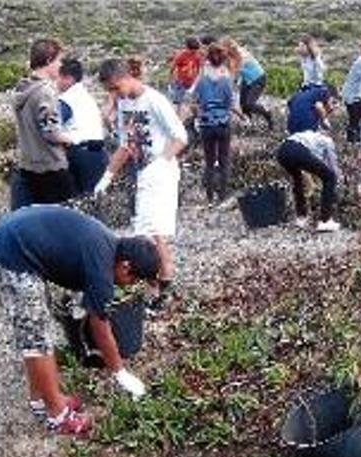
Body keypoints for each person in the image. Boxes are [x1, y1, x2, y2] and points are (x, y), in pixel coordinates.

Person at [0, 205, 160, 435]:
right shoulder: (102, 268)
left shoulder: (108, 245)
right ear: (126, 267)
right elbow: (100, 327)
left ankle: (40, 400)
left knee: (37, 334)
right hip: (11, 254)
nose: (128, 286)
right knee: (38, 341)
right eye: (134, 281)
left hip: (19, 242)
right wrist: (120, 373)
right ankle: (58, 415)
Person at [95, 57, 188, 289]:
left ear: (127, 77)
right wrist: (107, 176)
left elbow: (180, 137)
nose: (115, 95)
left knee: (154, 232)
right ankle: (156, 282)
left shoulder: (154, 100)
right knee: (145, 231)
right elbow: (126, 145)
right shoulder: (124, 104)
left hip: (161, 174)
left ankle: (162, 283)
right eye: (110, 91)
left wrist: (162, 162)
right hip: (141, 174)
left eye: (116, 88)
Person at [10, 38, 75, 210]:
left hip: (28, 165)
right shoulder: (46, 91)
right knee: (63, 219)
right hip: (51, 166)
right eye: (58, 60)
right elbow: (50, 132)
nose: (61, 65)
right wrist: (70, 139)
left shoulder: (21, 88)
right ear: (48, 60)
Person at [193, 44, 241, 204]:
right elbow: (231, 104)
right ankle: (222, 195)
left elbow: (195, 102)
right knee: (224, 159)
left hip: (206, 124)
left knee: (209, 161)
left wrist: (198, 115)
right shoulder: (226, 78)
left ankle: (209, 196)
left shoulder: (201, 79)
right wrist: (242, 116)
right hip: (223, 123)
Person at [56, 57, 108, 195]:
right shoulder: (86, 97)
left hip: (79, 154)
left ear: (68, 78)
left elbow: (52, 127)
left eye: (58, 78)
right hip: (97, 153)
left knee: (76, 201)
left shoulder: (67, 100)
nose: (56, 82)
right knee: (93, 200)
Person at [276, 129, 340, 232]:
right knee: (329, 178)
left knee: (298, 180)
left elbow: (312, 165)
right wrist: (336, 179)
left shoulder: (306, 134)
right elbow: (331, 164)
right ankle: (325, 221)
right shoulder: (327, 140)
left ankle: (301, 217)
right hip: (296, 151)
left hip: (282, 152)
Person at [222, 38, 274, 129]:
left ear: (229, 49)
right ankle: (249, 123)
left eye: (225, 50)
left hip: (258, 78)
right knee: (243, 105)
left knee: (250, 103)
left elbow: (233, 72)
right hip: (247, 80)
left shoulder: (242, 55)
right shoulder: (232, 55)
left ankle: (267, 114)